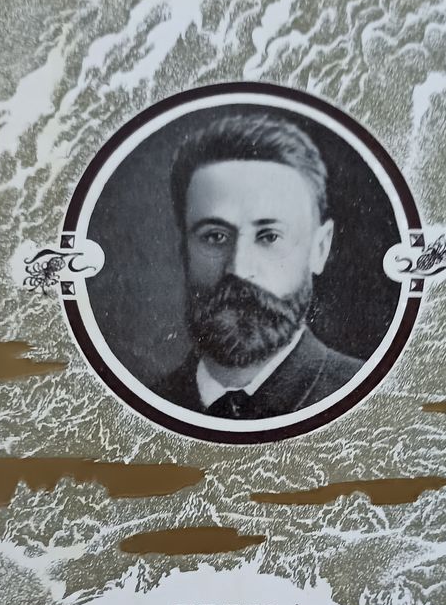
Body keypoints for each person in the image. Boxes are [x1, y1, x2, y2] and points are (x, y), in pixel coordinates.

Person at [152, 112, 363, 419]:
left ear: (319, 249)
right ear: (184, 249)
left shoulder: (369, 398)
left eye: (269, 236)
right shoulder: (147, 405)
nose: (239, 268)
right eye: (215, 236)